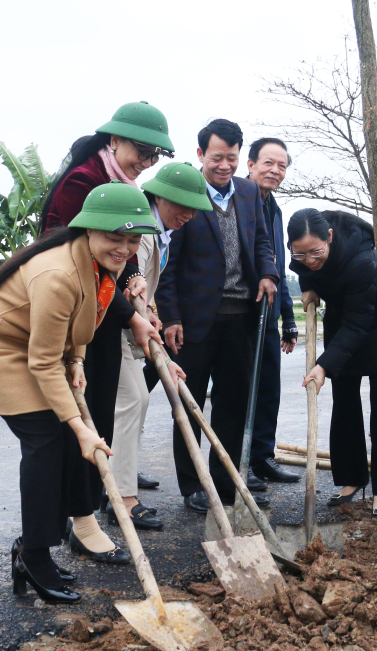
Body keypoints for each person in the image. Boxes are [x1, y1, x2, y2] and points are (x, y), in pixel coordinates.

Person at [0, 183, 161, 603]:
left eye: (132, 240)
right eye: (114, 237)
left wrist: (78, 361)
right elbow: (42, 360)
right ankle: (33, 554)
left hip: (37, 345)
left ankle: (45, 545)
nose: (123, 249)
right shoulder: (58, 274)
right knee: (46, 442)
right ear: (88, 229)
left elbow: (85, 318)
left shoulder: (103, 263)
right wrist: (81, 427)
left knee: (64, 440)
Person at [40, 102, 169, 561]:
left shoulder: (120, 181)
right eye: (141, 150)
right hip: (70, 314)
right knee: (77, 421)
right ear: (114, 139)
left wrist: (136, 285)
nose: (147, 162)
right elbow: (73, 260)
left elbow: (123, 250)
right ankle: (75, 521)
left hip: (101, 313)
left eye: (155, 156)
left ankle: (86, 513)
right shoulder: (81, 183)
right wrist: (131, 315)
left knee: (100, 415)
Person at [154, 119, 279, 513]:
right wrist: (171, 316)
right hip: (194, 322)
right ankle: (194, 485)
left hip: (241, 316)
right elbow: (168, 264)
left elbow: (261, 241)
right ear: (200, 156)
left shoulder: (246, 191)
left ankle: (226, 482)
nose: (224, 165)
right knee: (189, 404)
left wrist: (269, 273)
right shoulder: (186, 192)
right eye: (217, 157)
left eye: (231, 157)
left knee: (234, 403)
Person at [287, 209, 377, 518]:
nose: (310, 259)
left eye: (316, 252)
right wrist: (310, 283)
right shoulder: (304, 253)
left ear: (329, 237)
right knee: (345, 405)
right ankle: (351, 479)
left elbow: (358, 326)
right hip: (344, 322)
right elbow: (304, 267)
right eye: (300, 254)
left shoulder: (363, 262)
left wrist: (323, 365)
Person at [108, 163, 211, 530]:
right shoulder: (145, 232)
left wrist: (151, 316)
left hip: (131, 322)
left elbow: (144, 291)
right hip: (111, 324)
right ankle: (121, 497)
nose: (189, 215)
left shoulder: (161, 233)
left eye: (194, 208)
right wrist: (142, 317)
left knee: (134, 401)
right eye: (182, 205)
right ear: (160, 196)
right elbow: (123, 280)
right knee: (135, 399)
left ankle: (121, 480)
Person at [245, 138, 301, 485]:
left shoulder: (275, 208)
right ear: (249, 164)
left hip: (268, 311)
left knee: (268, 387)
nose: (275, 171)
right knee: (240, 390)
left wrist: (288, 318)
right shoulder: (238, 201)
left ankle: (262, 457)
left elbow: (277, 265)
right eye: (268, 163)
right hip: (239, 310)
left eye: (281, 166)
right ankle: (236, 462)